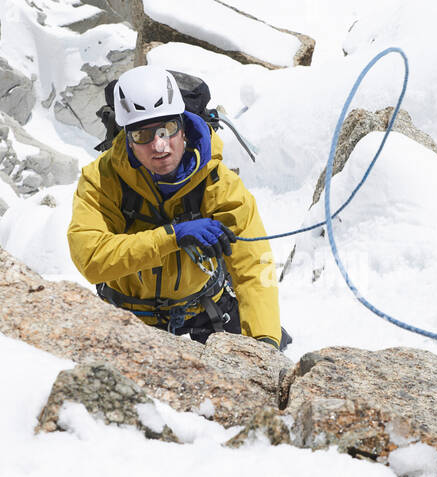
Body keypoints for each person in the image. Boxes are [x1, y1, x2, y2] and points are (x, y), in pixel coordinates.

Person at [67, 65, 283, 347]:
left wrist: (265, 342)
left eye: (167, 129)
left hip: (207, 312)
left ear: (183, 128)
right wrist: (172, 236)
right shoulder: (102, 180)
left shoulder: (218, 183)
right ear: (127, 140)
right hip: (128, 318)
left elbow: (253, 265)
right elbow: (92, 258)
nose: (159, 145)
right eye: (142, 135)